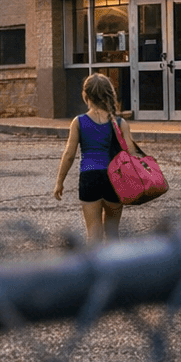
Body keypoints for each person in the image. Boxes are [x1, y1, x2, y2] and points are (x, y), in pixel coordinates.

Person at [53, 72, 143, 244]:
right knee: (113, 234)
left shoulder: (79, 122)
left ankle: (93, 262)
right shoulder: (120, 123)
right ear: (110, 94)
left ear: (85, 95)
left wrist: (60, 182)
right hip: (115, 178)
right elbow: (131, 154)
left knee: (93, 235)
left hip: (90, 177)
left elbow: (69, 155)